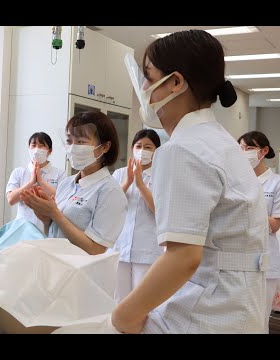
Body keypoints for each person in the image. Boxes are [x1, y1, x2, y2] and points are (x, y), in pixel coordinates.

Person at [109, 29, 269, 333]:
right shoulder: (219, 142)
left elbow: (184, 257)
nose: (143, 87)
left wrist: (122, 316)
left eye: (148, 76)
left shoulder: (182, 150)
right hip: (236, 308)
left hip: (204, 313)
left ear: (175, 83)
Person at [21, 111, 128, 255]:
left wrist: (55, 213)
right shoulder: (66, 183)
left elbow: (95, 249)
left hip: (81, 272)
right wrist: (46, 218)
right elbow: (55, 233)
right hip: (55, 263)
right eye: (69, 141)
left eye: (81, 141)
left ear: (104, 147)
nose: (73, 147)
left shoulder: (110, 192)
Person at [110, 129, 163, 303]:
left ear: (157, 151)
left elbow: (160, 211)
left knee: (142, 302)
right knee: (119, 300)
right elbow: (110, 205)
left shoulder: (162, 176)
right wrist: (128, 182)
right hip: (120, 246)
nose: (142, 150)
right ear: (132, 148)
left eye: (148, 147)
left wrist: (140, 185)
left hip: (147, 249)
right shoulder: (119, 174)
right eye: (139, 146)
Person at [238, 130, 280, 333]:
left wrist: (247, 212)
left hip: (266, 260)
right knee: (238, 319)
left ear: (264, 151)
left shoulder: (276, 182)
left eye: (250, 148)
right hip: (237, 259)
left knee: (259, 320)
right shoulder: (236, 180)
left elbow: (274, 225)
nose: (244, 152)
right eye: (241, 149)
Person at [6, 132, 66, 230]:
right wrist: (31, 182)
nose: (36, 149)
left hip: (48, 228)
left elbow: (63, 199)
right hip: (22, 228)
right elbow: (11, 200)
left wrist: (41, 182)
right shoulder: (19, 172)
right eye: (33, 145)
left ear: (49, 151)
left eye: (41, 146)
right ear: (29, 148)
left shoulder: (60, 173)